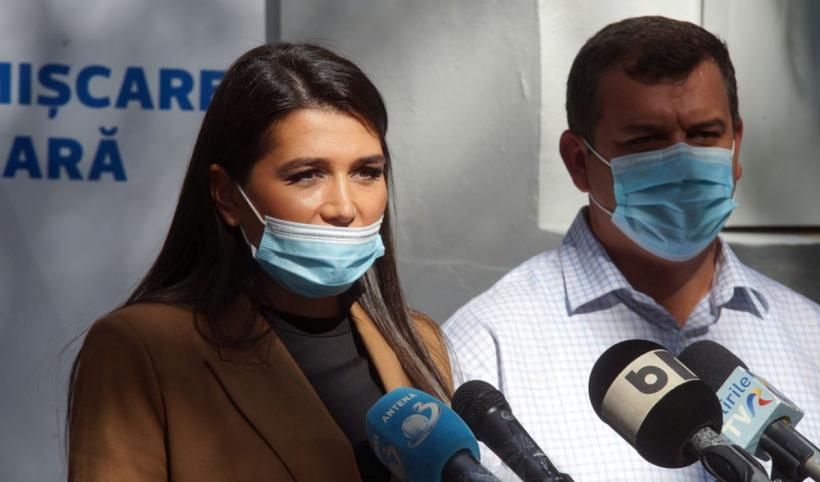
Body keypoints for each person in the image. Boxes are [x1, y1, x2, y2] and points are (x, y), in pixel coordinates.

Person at [444, 16, 820, 481]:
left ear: (736, 146)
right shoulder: (487, 349)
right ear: (578, 161)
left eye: (705, 134)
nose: (684, 164)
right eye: (647, 140)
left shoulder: (809, 335)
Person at [67, 43, 452, 482]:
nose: (344, 208)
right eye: (306, 175)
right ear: (227, 195)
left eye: (367, 172)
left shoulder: (419, 342)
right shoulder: (144, 348)